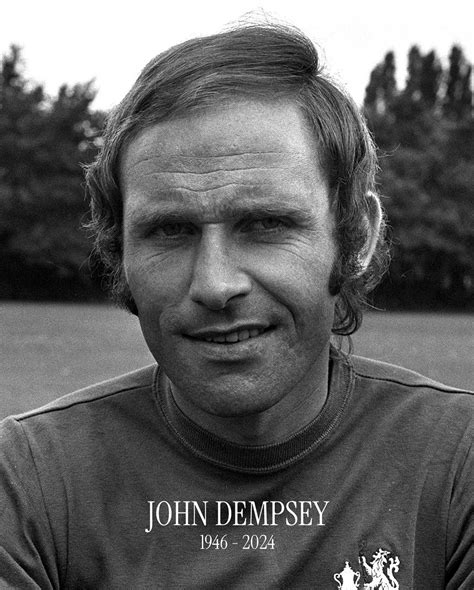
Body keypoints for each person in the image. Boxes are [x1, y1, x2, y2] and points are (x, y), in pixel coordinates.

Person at [0, 22, 472, 590]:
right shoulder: (28, 481)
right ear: (118, 252)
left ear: (357, 237)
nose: (215, 285)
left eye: (266, 223)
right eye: (169, 230)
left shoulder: (457, 463)